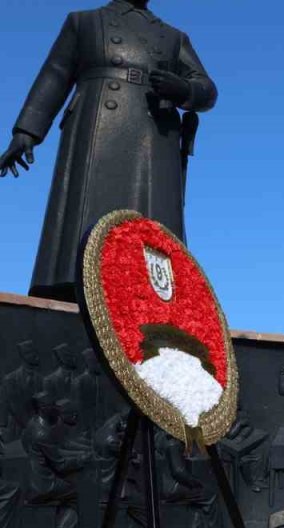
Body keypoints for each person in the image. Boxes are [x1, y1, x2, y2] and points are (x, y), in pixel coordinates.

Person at [0, 0, 218, 302]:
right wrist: (26, 131)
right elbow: (55, 74)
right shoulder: (83, 22)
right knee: (86, 219)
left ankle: (156, 293)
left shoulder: (173, 37)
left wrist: (185, 90)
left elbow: (206, 88)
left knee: (150, 223)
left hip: (154, 135)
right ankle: (70, 285)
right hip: (97, 127)